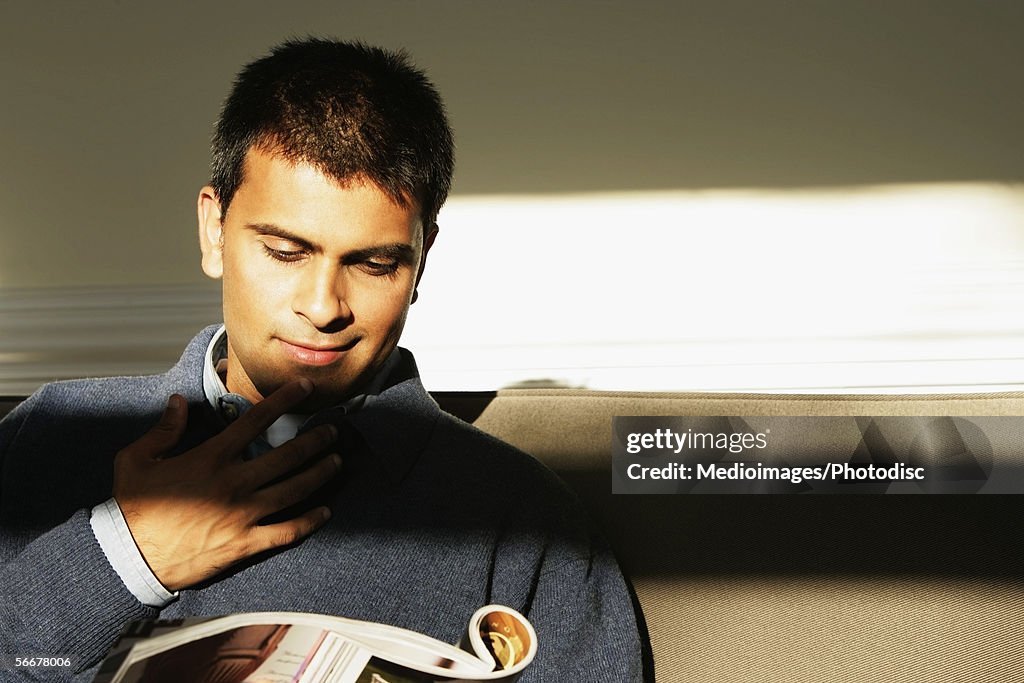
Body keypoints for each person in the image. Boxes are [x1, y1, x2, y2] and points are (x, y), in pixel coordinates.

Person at [0, 38, 642, 680]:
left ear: (422, 260)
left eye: (374, 263)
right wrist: (125, 557)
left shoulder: (521, 517)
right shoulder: (52, 435)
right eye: (285, 252)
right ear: (213, 231)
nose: (324, 305)